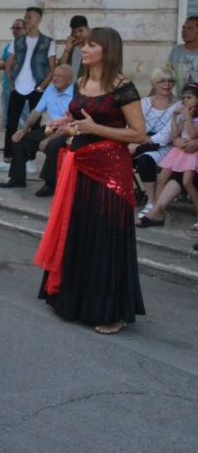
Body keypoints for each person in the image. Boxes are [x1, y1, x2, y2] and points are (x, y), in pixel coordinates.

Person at [34, 26, 146, 335]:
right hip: (81, 163)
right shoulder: (82, 82)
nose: (84, 49)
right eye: (85, 45)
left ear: (106, 51)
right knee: (80, 232)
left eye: (91, 45)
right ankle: (75, 301)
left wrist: (93, 129)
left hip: (110, 170)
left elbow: (139, 133)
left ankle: (112, 311)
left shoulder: (123, 87)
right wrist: (64, 124)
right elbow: (80, 120)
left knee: (105, 236)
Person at [0, 64, 75, 195]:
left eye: (59, 76)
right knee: (20, 140)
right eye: (54, 75)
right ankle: (17, 178)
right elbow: (36, 112)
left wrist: (48, 140)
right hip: (51, 128)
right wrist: (23, 130)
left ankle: (50, 184)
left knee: (52, 146)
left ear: (69, 80)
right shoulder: (50, 90)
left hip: (69, 132)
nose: (54, 79)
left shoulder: (76, 94)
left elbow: (72, 124)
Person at [137, 83, 198, 232]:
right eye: (184, 98)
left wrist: (188, 117)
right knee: (162, 176)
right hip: (181, 152)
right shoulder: (185, 114)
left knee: (187, 181)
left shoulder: (191, 117)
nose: (185, 101)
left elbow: (193, 134)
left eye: (189, 97)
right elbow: (175, 134)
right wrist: (174, 117)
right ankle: (157, 210)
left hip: (192, 155)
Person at [4, 7, 57, 161]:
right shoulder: (17, 41)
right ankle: (8, 155)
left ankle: (31, 155)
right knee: (11, 122)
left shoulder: (48, 42)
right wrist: (11, 83)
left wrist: (42, 86)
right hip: (18, 86)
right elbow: (9, 63)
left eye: (31, 17)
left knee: (35, 124)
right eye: (26, 17)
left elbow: (52, 68)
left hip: (36, 87)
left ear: (39, 20)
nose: (28, 20)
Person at [131, 69, 179, 216]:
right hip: (141, 141)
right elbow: (135, 124)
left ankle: (151, 201)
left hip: (164, 147)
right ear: (154, 84)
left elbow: (167, 135)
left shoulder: (179, 105)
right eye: (162, 81)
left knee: (145, 161)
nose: (166, 85)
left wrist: (139, 143)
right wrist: (133, 142)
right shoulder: (145, 103)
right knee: (117, 155)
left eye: (170, 81)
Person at [0, 19, 28, 173]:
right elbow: (0, 64)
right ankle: (10, 149)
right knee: (7, 121)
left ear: (25, 29)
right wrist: (9, 63)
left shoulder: (27, 47)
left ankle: (22, 155)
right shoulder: (9, 46)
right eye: (14, 28)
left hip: (23, 90)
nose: (15, 31)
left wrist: (7, 63)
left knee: (23, 122)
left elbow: (20, 64)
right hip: (7, 88)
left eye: (18, 28)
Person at [168, 15, 198, 96]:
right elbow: (168, 73)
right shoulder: (176, 50)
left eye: (190, 28)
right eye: (183, 28)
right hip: (181, 100)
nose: (184, 31)